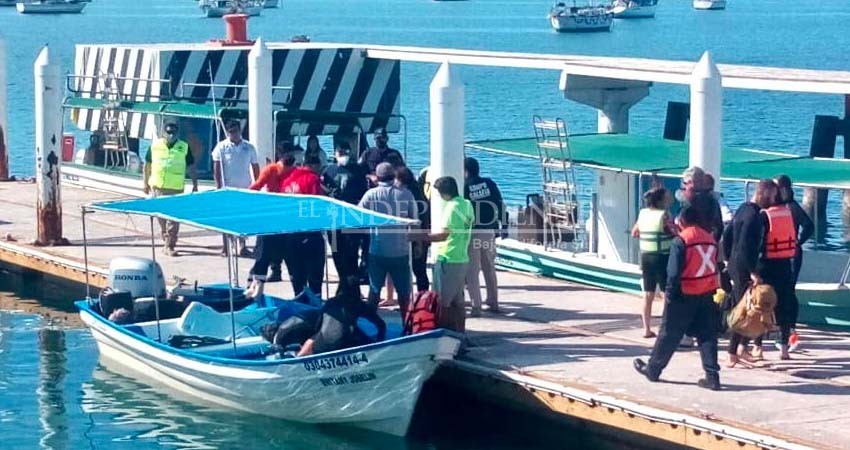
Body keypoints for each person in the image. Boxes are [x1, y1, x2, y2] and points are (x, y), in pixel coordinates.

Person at [633, 205, 722, 391]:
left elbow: (673, 273)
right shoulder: (711, 239)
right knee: (707, 336)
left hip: (684, 293)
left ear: (682, 222)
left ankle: (653, 369)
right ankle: (712, 376)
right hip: (706, 293)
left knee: (668, 334)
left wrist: (670, 296)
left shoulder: (681, 241)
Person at [722, 179, 775, 366]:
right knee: (745, 309)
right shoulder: (754, 217)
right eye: (771, 196)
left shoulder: (743, 209)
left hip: (735, 263)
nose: (772, 200)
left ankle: (742, 348)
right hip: (745, 265)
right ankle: (733, 352)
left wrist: (728, 259)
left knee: (747, 307)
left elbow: (727, 236)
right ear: (763, 194)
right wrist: (752, 271)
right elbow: (745, 245)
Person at [412, 176, 474, 334]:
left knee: (443, 302)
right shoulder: (466, 204)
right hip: (462, 258)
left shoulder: (451, 208)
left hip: (448, 257)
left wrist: (418, 236)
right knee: (458, 301)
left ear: (444, 193)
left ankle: (443, 334)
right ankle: (460, 334)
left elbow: (443, 235)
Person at [357, 162, 417, 316]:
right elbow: (415, 221)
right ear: (394, 176)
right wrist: (418, 245)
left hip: (377, 251)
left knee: (374, 291)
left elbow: (358, 216)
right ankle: (407, 326)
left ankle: (370, 324)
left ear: (377, 177)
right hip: (400, 251)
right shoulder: (406, 194)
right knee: (404, 294)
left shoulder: (370, 194)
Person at [244, 144, 299, 298]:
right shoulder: (271, 169)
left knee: (291, 256)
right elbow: (256, 187)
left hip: (287, 220)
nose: (290, 156)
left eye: (292, 153)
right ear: (280, 155)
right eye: (287, 153)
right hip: (270, 218)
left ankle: (298, 291)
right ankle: (255, 288)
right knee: (263, 254)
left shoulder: (296, 172)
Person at [142, 122, 198, 257]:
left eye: (173, 133)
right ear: (164, 133)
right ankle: (165, 239)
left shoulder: (183, 147)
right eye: (168, 132)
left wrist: (195, 183)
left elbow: (191, 166)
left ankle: (170, 245)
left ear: (177, 133)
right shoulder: (155, 146)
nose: (171, 135)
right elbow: (147, 165)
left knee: (173, 218)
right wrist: (145, 183)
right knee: (160, 216)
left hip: (175, 187)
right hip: (158, 186)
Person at [297, 276, 386, 356]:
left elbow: (318, 326)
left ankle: (300, 357)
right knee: (358, 334)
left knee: (314, 338)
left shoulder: (330, 302)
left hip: (321, 346)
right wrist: (379, 342)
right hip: (342, 345)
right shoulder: (358, 304)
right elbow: (381, 325)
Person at [760, 180, 800, 360]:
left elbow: (759, 242)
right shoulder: (788, 213)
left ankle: (758, 346)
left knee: (763, 305)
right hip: (785, 263)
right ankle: (784, 347)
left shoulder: (765, 216)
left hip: (767, 264)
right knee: (783, 305)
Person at [322, 142, 368, 291]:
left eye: (345, 152)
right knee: (336, 251)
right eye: (339, 152)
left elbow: (363, 193)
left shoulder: (358, 170)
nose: (342, 155)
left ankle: (353, 287)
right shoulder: (328, 170)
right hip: (334, 221)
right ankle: (343, 282)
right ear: (335, 154)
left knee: (352, 253)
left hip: (352, 220)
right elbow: (323, 190)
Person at [464, 157, 507, 316]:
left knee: (472, 270)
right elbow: (500, 203)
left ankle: (477, 305)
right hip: (489, 231)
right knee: (489, 267)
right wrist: (505, 225)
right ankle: (493, 300)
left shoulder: (465, 187)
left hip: (473, 232)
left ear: (465, 171)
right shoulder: (489, 183)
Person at [631, 187, 676, 338]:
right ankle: (666, 328)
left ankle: (646, 328)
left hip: (646, 256)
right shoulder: (664, 215)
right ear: (661, 200)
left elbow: (634, 232)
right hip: (662, 256)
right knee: (665, 293)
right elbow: (674, 233)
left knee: (648, 293)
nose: (670, 197)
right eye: (667, 196)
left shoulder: (643, 213)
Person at [212, 120, 260, 257]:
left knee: (243, 218)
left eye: (236, 131)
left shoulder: (249, 147)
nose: (234, 134)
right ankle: (226, 247)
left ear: (240, 131)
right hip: (228, 189)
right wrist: (219, 185)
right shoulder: (221, 147)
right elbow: (216, 166)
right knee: (226, 218)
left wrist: (257, 185)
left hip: (245, 188)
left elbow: (255, 167)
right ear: (227, 133)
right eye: (231, 132)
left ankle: (242, 246)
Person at [281, 155, 327, 295]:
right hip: (310, 233)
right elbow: (317, 204)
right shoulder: (313, 179)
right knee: (315, 277)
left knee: (297, 277)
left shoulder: (287, 181)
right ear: (314, 166)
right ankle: (315, 306)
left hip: (291, 233)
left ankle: (300, 305)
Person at [775, 175, 814, 286]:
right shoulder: (777, 206)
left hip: (791, 254)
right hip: (780, 253)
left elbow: (809, 226)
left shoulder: (791, 206)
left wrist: (799, 242)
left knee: (788, 286)